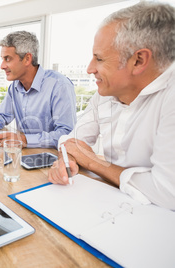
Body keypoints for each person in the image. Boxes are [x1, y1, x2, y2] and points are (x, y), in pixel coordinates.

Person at [48, 2, 175, 210]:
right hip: (110, 206)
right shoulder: (106, 93)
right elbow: (74, 140)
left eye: (99, 59)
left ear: (139, 60)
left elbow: (168, 192)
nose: (90, 69)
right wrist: (67, 159)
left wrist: (93, 163)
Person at [0, 31, 77, 148]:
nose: (2, 66)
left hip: (53, 159)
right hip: (24, 156)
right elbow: (3, 115)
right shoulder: (14, 87)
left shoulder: (59, 85)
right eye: (2, 59)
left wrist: (24, 139)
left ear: (27, 59)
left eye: (7, 59)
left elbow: (67, 134)